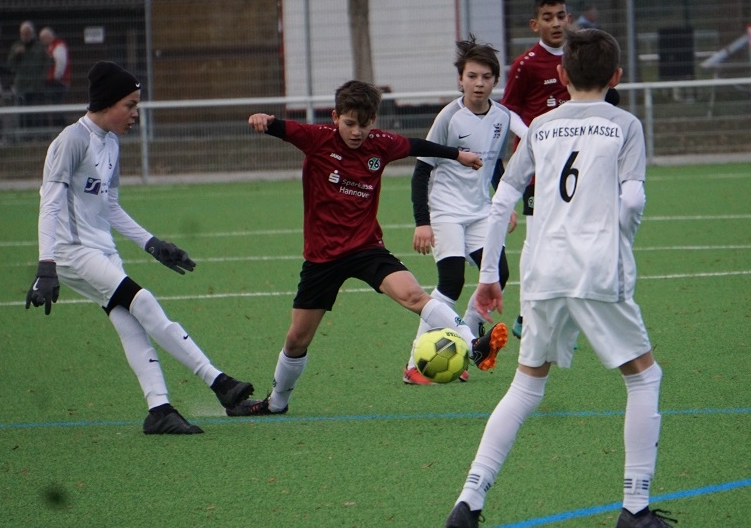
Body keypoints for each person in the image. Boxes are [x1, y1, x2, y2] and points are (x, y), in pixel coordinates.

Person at [445, 29, 672, 528]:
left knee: (526, 388)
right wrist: (617, 241)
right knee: (644, 377)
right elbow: (633, 198)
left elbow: (502, 201)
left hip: (543, 270)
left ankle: (468, 501)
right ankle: (635, 508)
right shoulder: (625, 124)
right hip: (596, 268)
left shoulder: (541, 127)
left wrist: (488, 275)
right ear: (616, 77)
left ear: (562, 75)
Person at [228, 80, 509, 416]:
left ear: (373, 120)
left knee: (414, 295)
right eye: (349, 123)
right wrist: (264, 120)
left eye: (364, 124)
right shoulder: (317, 138)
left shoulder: (380, 144)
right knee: (296, 339)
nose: (357, 132)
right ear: (335, 117)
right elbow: (281, 127)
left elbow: (417, 145)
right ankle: (277, 402)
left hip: (365, 248)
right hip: (322, 258)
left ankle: (472, 343)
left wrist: (457, 154)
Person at [25, 61, 256, 435]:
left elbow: (111, 206)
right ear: (107, 103)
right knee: (144, 302)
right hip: (72, 251)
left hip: (102, 250)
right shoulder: (71, 140)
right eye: (129, 105)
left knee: (131, 324)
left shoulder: (111, 142)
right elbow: (49, 204)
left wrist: (153, 244)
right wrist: (46, 265)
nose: (136, 113)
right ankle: (220, 383)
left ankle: (159, 410)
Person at [500, 0, 620, 340]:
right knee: (537, 237)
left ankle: (568, 312)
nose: (556, 23)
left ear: (569, 19)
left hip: (579, 165)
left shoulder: (579, 58)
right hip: (540, 168)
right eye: (548, 17)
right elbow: (508, 111)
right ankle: (526, 313)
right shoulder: (525, 64)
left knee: (574, 236)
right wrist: (534, 137)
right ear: (535, 24)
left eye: (561, 16)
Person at [404, 37, 517, 386]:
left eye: (486, 77)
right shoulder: (449, 117)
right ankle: (414, 364)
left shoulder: (502, 117)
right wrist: (422, 222)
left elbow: (495, 166)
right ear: (460, 79)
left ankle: (469, 345)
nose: (479, 83)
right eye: (472, 76)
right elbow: (421, 170)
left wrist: (504, 204)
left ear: (495, 81)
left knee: (498, 273)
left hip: (481, 211)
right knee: (451, 282)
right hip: (447, 211)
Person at [6, 21, 52, 133]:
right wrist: (16, 55)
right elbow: (10, 65)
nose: (25, 36)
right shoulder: (16, 47)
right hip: (21, 85)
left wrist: (42, 78)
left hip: (36, 86)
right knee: (22, 111)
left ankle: (39, 134)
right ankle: (24, 134)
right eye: (23, 33)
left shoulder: (40, 47)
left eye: (27, 33)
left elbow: (48, 63)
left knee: (37, 111)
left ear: (32, 33)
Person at [39, 27, 71, 127]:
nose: (42, 41)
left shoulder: (58, 46)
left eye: (43, 39)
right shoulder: (51, 46)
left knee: (57, 103)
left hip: (57, 81)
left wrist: (56, 77)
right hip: (52, 81)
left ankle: (60, 125)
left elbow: (60, 63)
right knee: (54, 104)